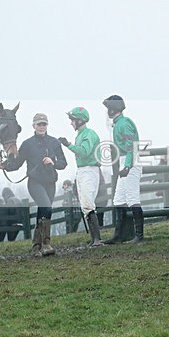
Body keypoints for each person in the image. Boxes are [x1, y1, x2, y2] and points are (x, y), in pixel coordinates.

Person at [2, 113, 67, 256]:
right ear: (34, 126)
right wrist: (5, 166)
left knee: (43, 212)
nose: (42, 126)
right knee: (47, 208)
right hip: (34, 182)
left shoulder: (54, 142)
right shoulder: (27, 144)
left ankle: (35, 246)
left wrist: (53, 162)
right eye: (39, 124)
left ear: (47, 125)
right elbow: (17, 164)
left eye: (44, 124)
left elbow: (63, 163)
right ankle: (46, 244)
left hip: (50, 182)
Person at [58, 106, 103, 247]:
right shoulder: (81, 135)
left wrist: (68, 145)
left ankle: (97, 239)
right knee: (85, 205)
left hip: (90, 170)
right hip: (83, 171)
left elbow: (84, 152)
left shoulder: (89, 134)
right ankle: (93, 238)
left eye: (72, 120)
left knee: (88, 204)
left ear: (79, 120)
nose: (71, 123)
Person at [103, 95, 144, 244]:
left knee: (133, 198)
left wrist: (127, 165)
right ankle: (118, 236)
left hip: (130, 161)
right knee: (119, 199)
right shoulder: (118, 124)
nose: (107, 111)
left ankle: (139, 236)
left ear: (113, 109)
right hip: (125, 161)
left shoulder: (124, 124)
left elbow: (130, 146)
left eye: (108, 108)